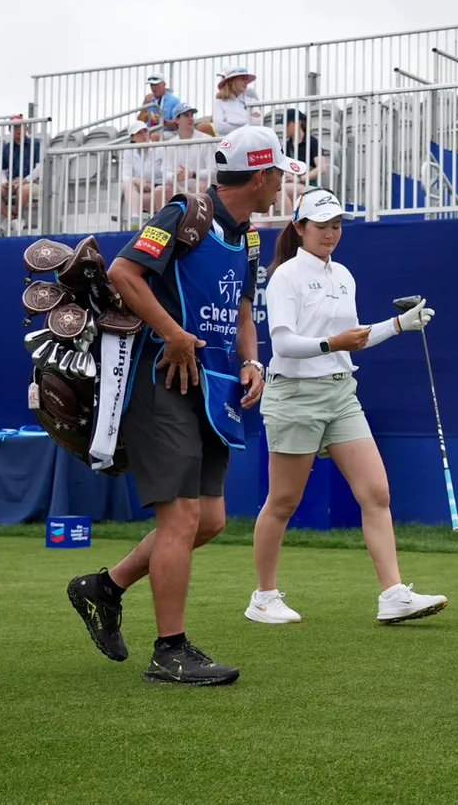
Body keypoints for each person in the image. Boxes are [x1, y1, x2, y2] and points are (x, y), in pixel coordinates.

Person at [65, 125, 299, 685]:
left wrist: (252, 361)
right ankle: (169, 651)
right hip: (161, 382)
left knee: (209, 521)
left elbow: (243, 310)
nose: (282, 186)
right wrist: (171, 332)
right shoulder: (184, 212)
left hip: (214, 391)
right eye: (279, 176)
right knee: (183, 517)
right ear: (261, 175)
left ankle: (104, 588)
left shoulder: (249, 239)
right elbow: (123, 272)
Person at [245, 186, 448, 626]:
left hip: (341, 394)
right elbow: (283, 343)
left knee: (376, 493)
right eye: (322, 226)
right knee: (283, 501)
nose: (331, 233)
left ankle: (393, 594)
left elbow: (353, 338)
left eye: (337, 225)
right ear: (300, 227)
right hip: (295, 395)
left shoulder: (344, 275)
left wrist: (398, 325)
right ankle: (263, 597)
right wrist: (332, 343)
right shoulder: (285, 276)